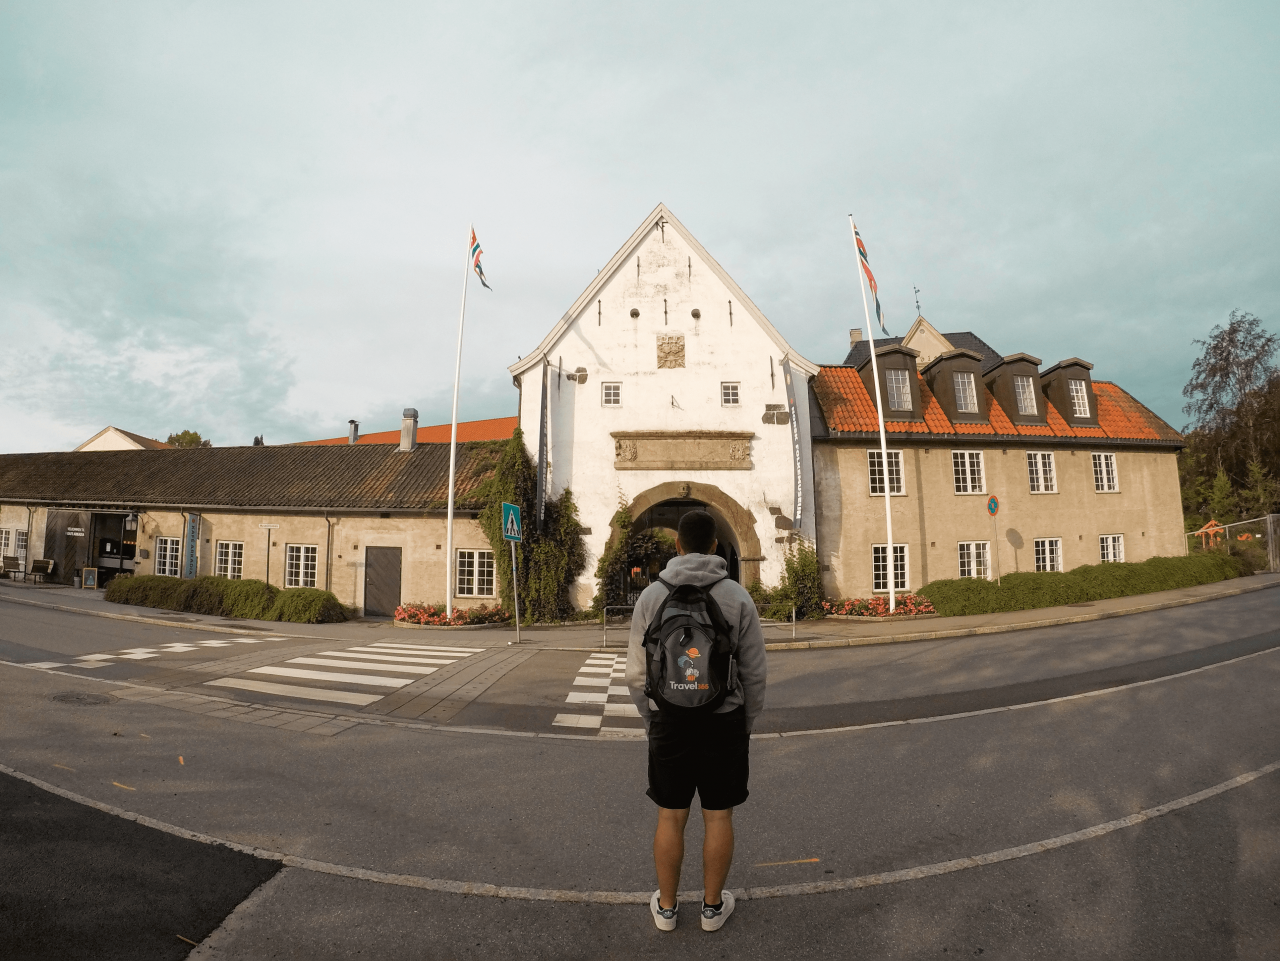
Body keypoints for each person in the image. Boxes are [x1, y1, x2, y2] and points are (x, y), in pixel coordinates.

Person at [625, 509, 766, 933]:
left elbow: (635, 675)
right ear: (715, 546)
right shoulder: (737, 596)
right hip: (723, 719)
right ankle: (711, 908)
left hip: (669, 719)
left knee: (671, 814)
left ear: (678, 546)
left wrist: (652, 721)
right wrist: (745, 722)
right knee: (718, 815)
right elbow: (755, 672)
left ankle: (666, 909)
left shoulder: (651, 596)